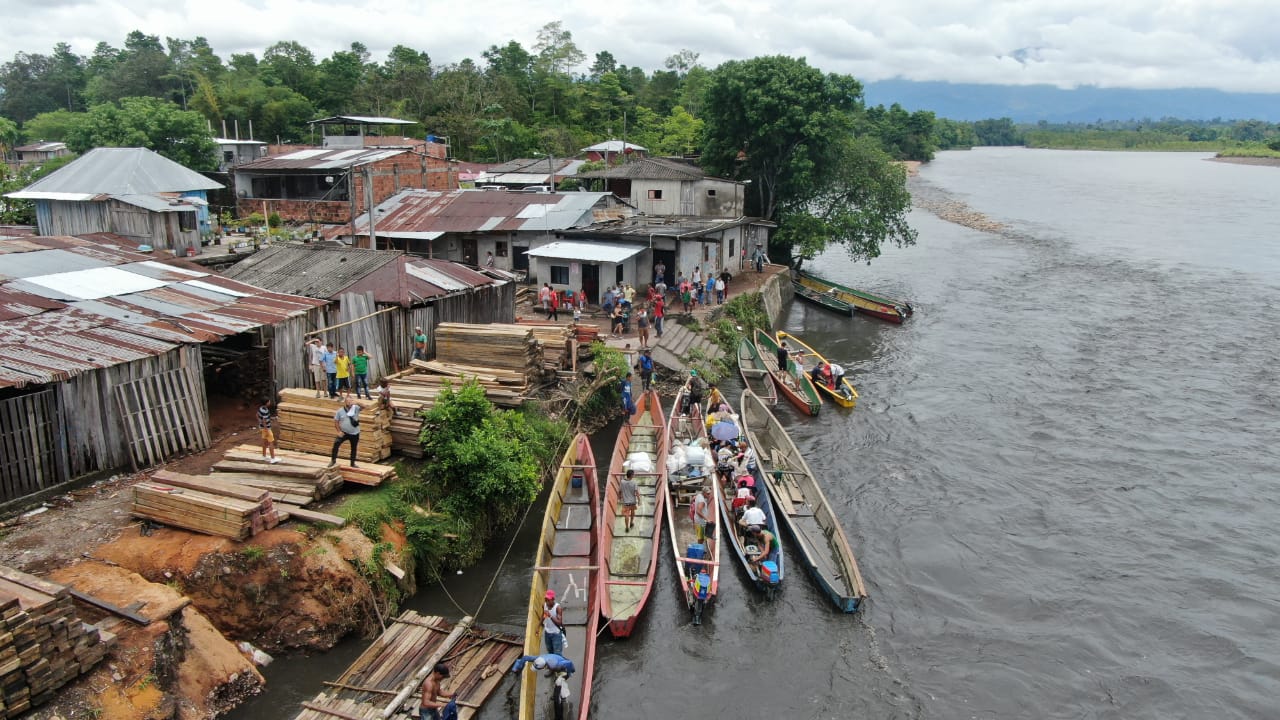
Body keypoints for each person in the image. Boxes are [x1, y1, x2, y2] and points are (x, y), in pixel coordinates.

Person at [330, 395, 361, 468]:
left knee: (354, 448)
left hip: (355, 433)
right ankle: (333, 461)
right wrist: (338, 431)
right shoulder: (340, 411)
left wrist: (357, 402)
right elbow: (336, 421)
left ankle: (352, 463)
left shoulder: (356, 408)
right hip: (344, 432)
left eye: (350, 401)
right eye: (347, 401)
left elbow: (365, 406)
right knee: (336, 444)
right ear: (345, 402)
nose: (349, 402)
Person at [541, 590, 565, 655]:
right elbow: (544, 615)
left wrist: (550, 616)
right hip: (547, 633)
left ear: (553, 599)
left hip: (556, 634)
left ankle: (559, 665)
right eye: (546, 600)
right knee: (550, 652)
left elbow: (559, 623)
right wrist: (539, 625)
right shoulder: (545, 605)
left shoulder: (558, 608)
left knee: (557, 654)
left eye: (548, 600)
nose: (547, 602)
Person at [257, 397, 280, 464]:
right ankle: (273, 458)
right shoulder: (266, 411)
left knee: (265, 442)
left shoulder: (260, 408)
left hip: (262, 428)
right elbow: (264, 421)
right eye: (269, 401)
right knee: (271, 442)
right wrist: (267, 430)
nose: (270, 402)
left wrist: (260, 422)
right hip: (267, 428)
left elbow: (257, 415)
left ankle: (264, 456)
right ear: (266, 403)